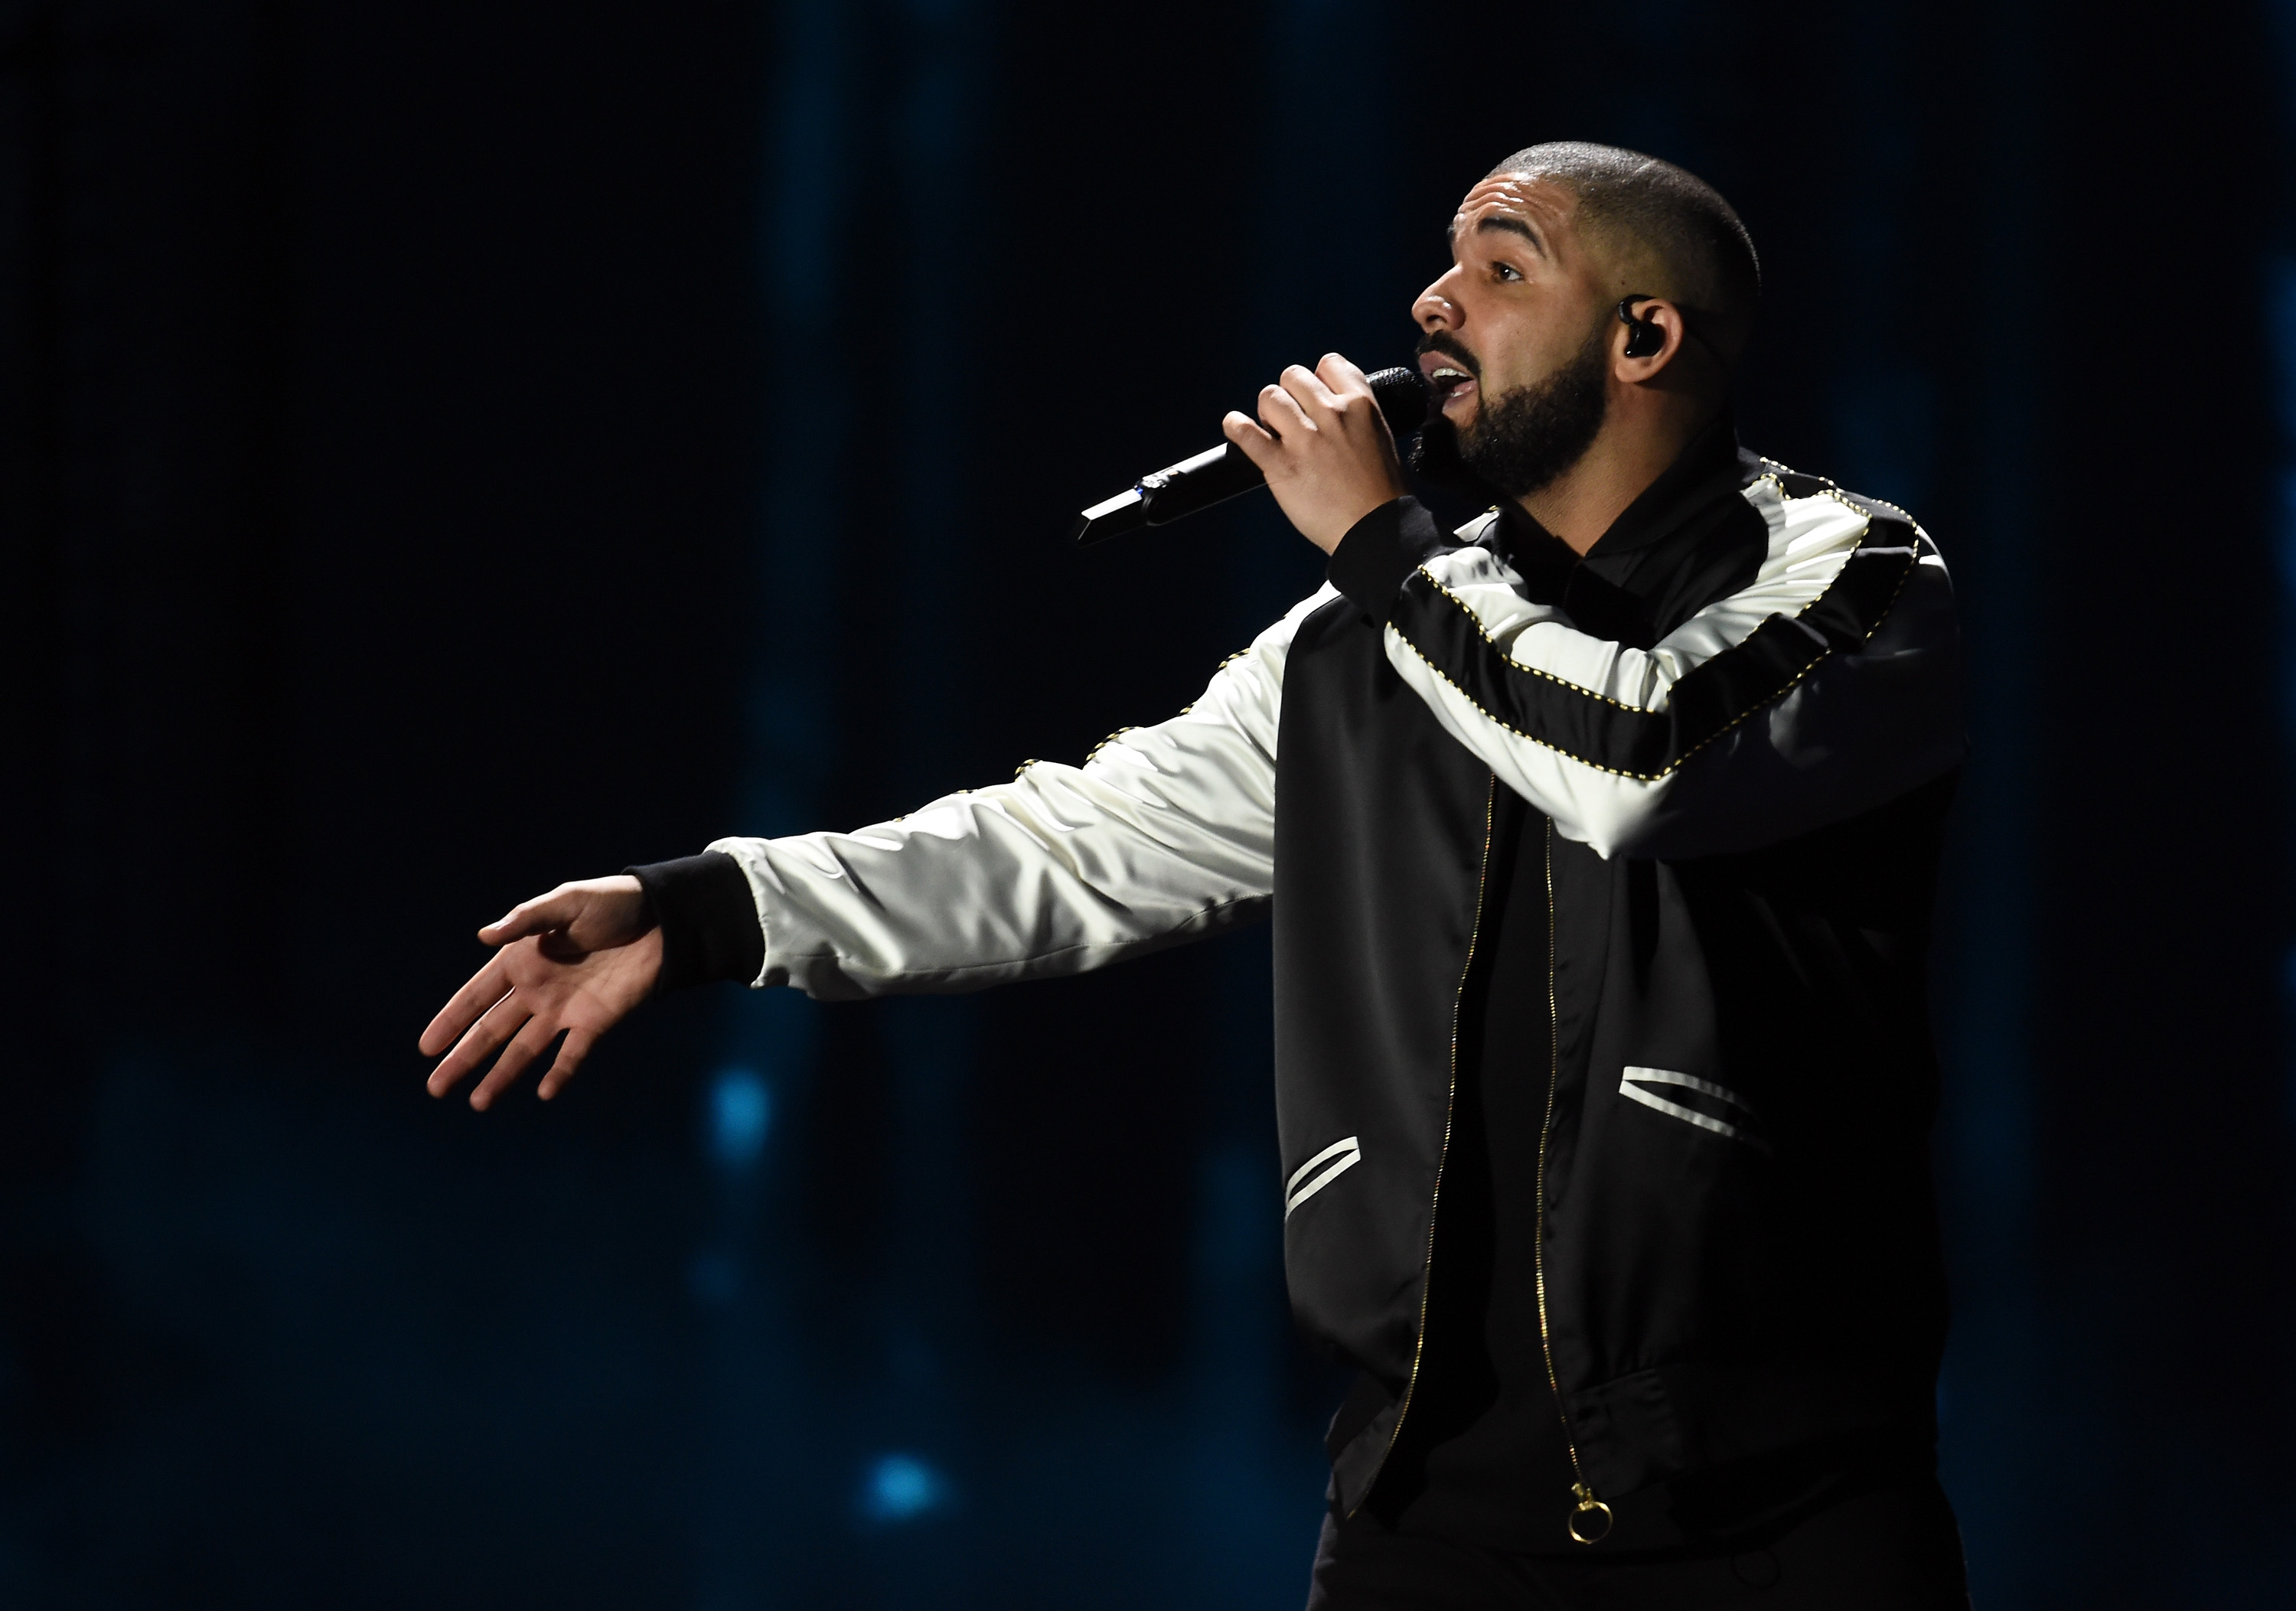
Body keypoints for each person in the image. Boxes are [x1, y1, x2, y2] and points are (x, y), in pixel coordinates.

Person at [421, 142, 1970, 1609]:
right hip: (1424, 1505)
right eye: (1443, 265)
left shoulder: (1852, 575)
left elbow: (1639, 766)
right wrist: (702, 908)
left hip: (1778, 1510)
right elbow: (1074, 845)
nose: (1431, 306)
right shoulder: (1357, 647)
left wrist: (1382, 547)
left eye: (1502, 270)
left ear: (1644, 336)